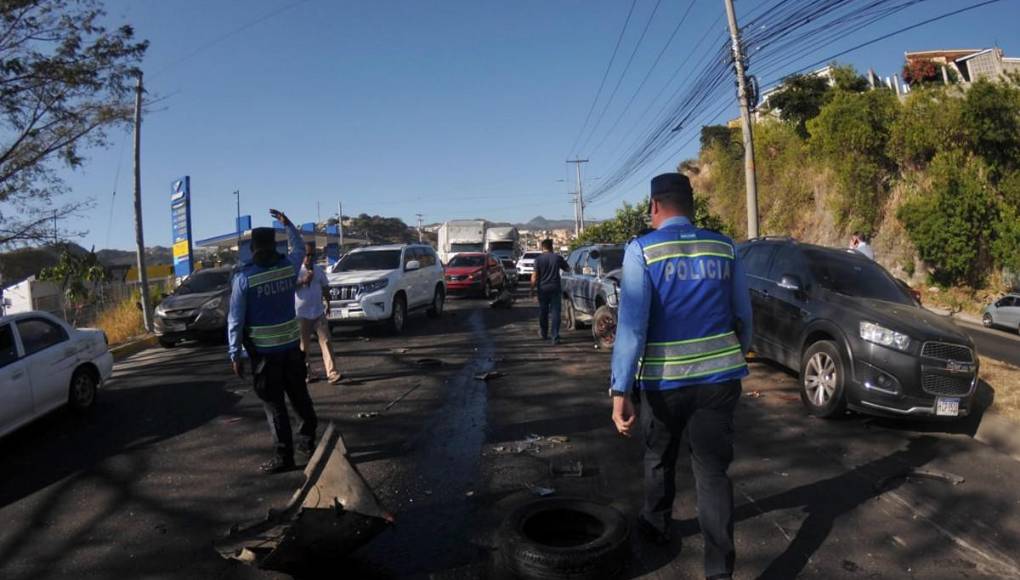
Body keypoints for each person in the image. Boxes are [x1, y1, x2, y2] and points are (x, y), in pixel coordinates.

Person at [610, 173, 752, 580]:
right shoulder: (724, 247)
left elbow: (632, 329)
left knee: (659, 458)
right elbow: (744, 316)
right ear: (692, 207)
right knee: (712, 473)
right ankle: (719, 569)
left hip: (664, 383)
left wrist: (621, 390)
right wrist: (732, 357)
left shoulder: (642, 251)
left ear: (655, 206)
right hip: (720, 382)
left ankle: (656, 527)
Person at [228, 209, 318, 474]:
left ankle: (284, 456)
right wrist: (288, 223)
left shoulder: (244, 278)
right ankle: (308, 443)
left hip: (265, 357)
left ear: (253, 249)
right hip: (291, 349)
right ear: (274, 246)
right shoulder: (287, 268)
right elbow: (300, 247)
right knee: (300, 398)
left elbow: (235, 319)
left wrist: (234, 354)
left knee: (274, 405)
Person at [296, 241, 342, 385]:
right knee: (304, 346)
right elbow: (290, 287)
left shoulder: (318, 270)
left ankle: (332, 373)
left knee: (326, 341)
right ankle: (307, 373)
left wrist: (328, 303)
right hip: (301, 314)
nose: (309, 258)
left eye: (312, 255)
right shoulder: (296, 270)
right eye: (306, 255)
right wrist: (303, 280)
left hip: (317, 311)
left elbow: (325, 286)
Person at [530, 238, 569, 344]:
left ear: (542, 247)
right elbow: (568, 269)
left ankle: (543, 333)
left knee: (543, 311)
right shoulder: (558, 258)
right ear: (552, 246)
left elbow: (534, 276)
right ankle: (555, 337)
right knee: (556, 312)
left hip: (542, 289)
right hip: (555, 288)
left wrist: (532, 289)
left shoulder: (538, 259)